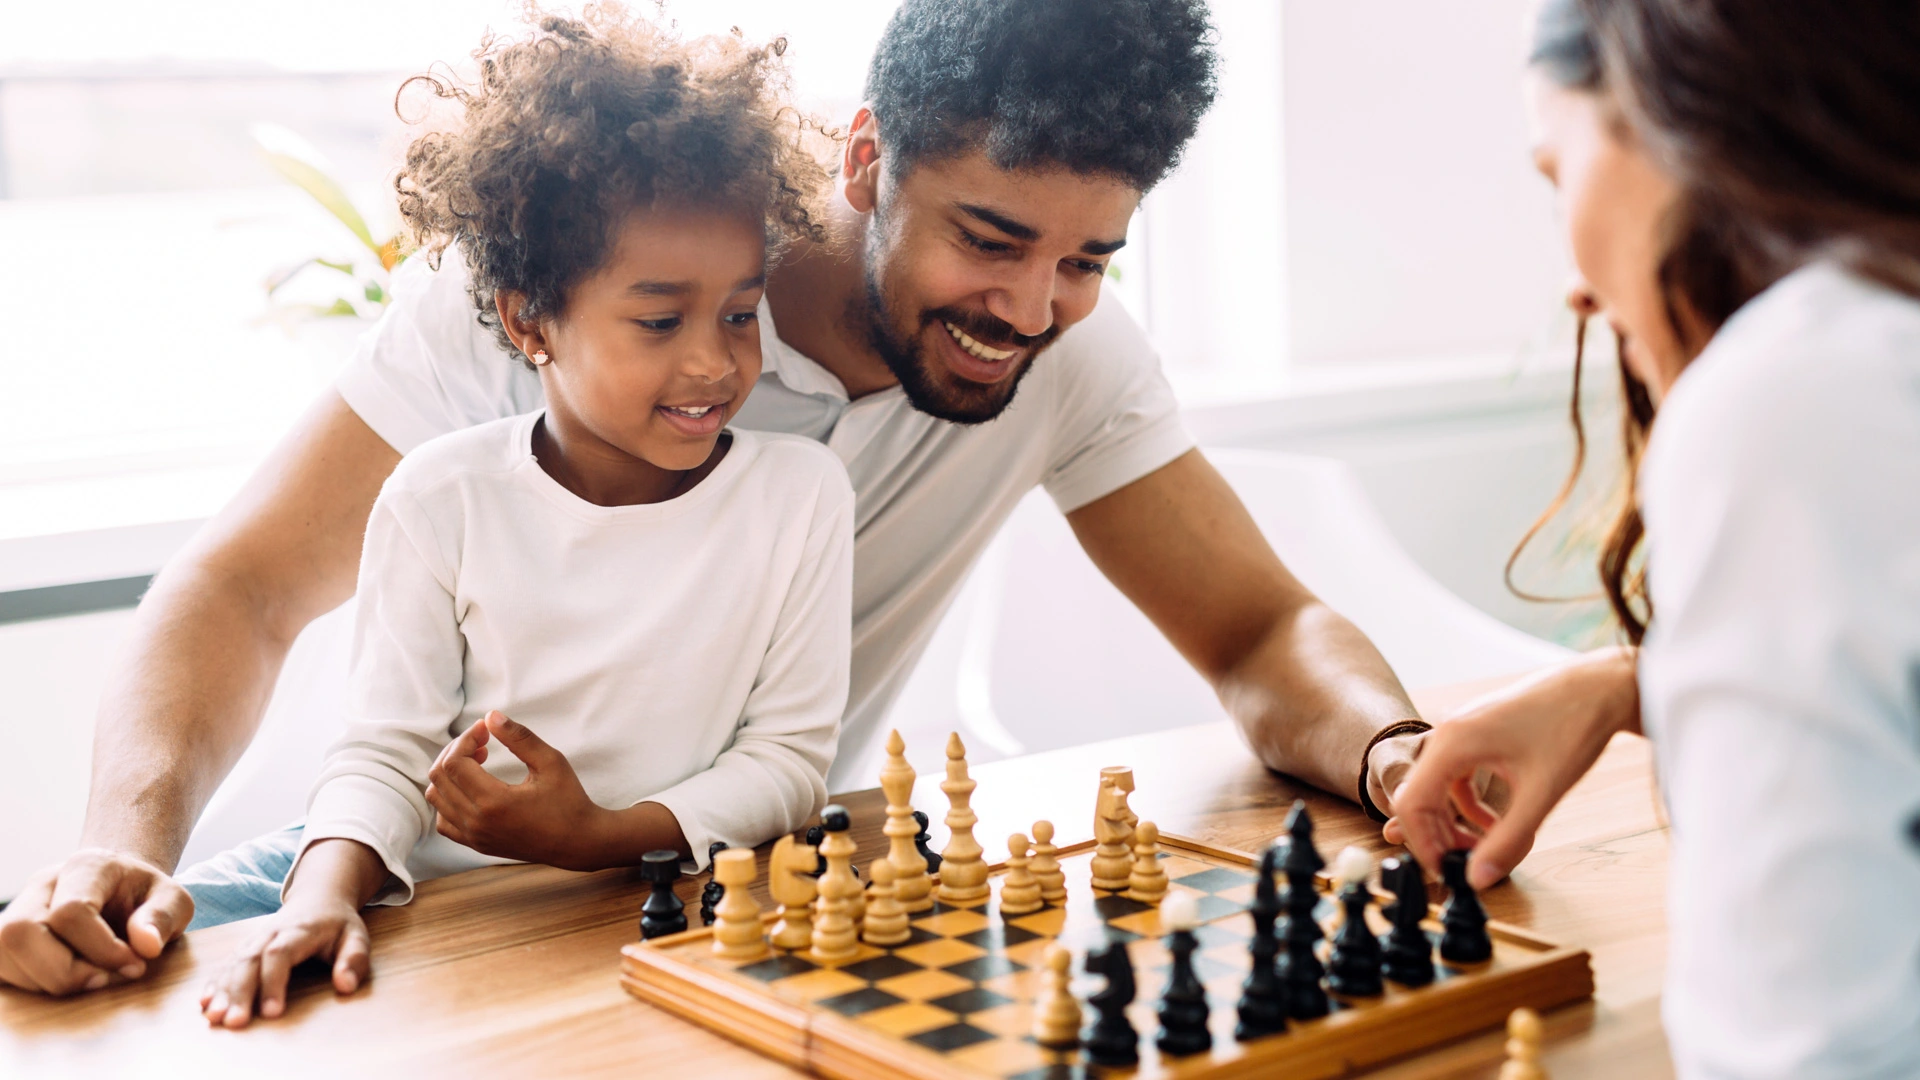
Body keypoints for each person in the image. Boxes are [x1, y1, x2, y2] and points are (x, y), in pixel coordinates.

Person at [4, 0, 1578, 996]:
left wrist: (1389, 749)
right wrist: (113, 841)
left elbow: (1259, 624)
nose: (1031, 309)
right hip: (410, 889)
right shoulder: (586, 285)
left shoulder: (1067, 359)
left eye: (1089, 259)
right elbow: (245, 589)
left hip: (719, 905)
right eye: (989, 236)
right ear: (868, 157)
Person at [180, 9, 853, 1026]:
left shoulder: (798, 495)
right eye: (660, 320)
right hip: (389, 866)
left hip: (626, 885)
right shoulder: (440, 495)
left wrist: (599, 834)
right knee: (109, 941)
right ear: (527, 319)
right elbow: (383, 755)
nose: (716, 362)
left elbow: (789, 764)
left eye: (740, 312)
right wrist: (318, 899)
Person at [1387, 1, 1920, 1076]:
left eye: (1556, 175)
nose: (1576, 287)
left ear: (1684, 116)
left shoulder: (1800, 392)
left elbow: (1800, 1051)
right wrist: (1633, 684)